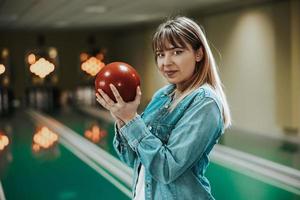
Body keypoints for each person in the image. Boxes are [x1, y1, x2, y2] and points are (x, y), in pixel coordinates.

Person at [96, 16, 231, 200]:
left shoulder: (205, 103)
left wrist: (131, 120)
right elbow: (133, 159)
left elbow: (166, 169)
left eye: (177, 52)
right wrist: (121, 119)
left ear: (199, 53)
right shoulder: (163, 95)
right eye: (160, 54)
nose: (166, 62)